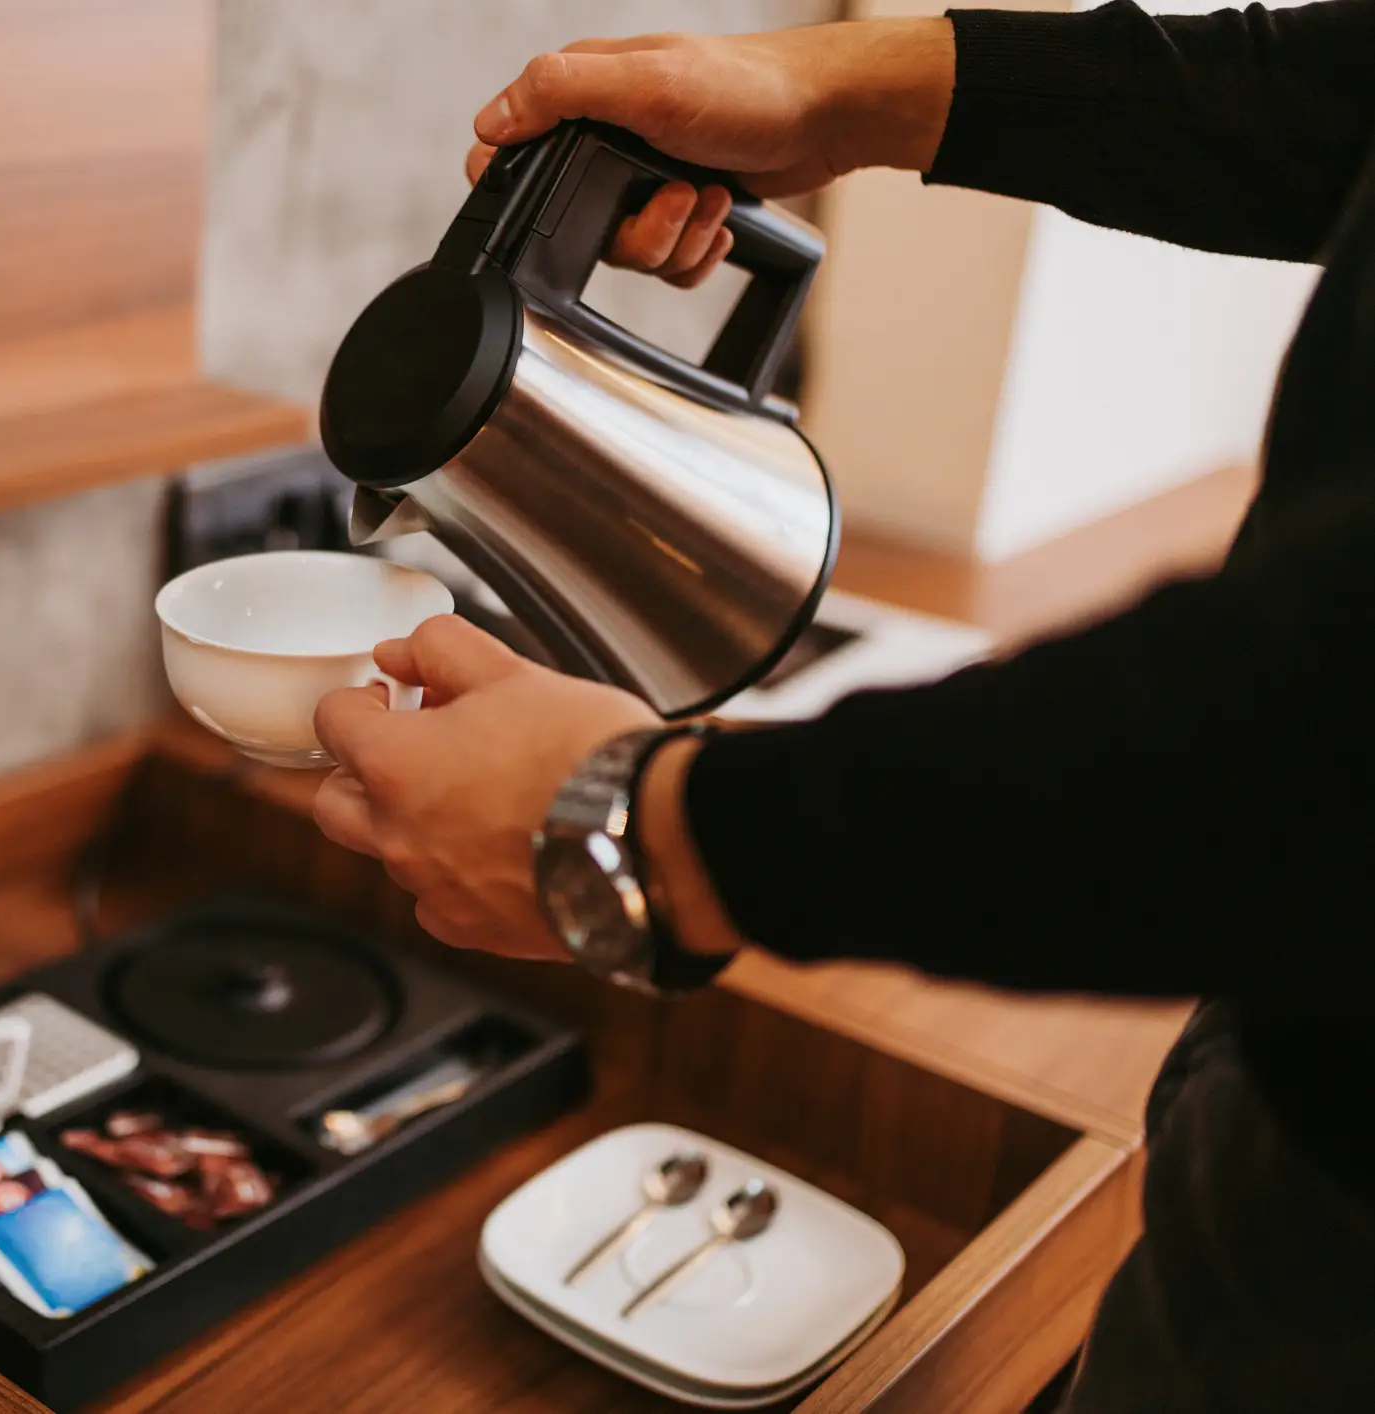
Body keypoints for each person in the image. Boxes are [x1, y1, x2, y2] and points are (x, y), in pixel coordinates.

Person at [306, 6, 1375, 1411]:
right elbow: (1334, 97)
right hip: (1292, 1025)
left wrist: (636, 833)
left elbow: (1308, 742)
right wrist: (827, 98)